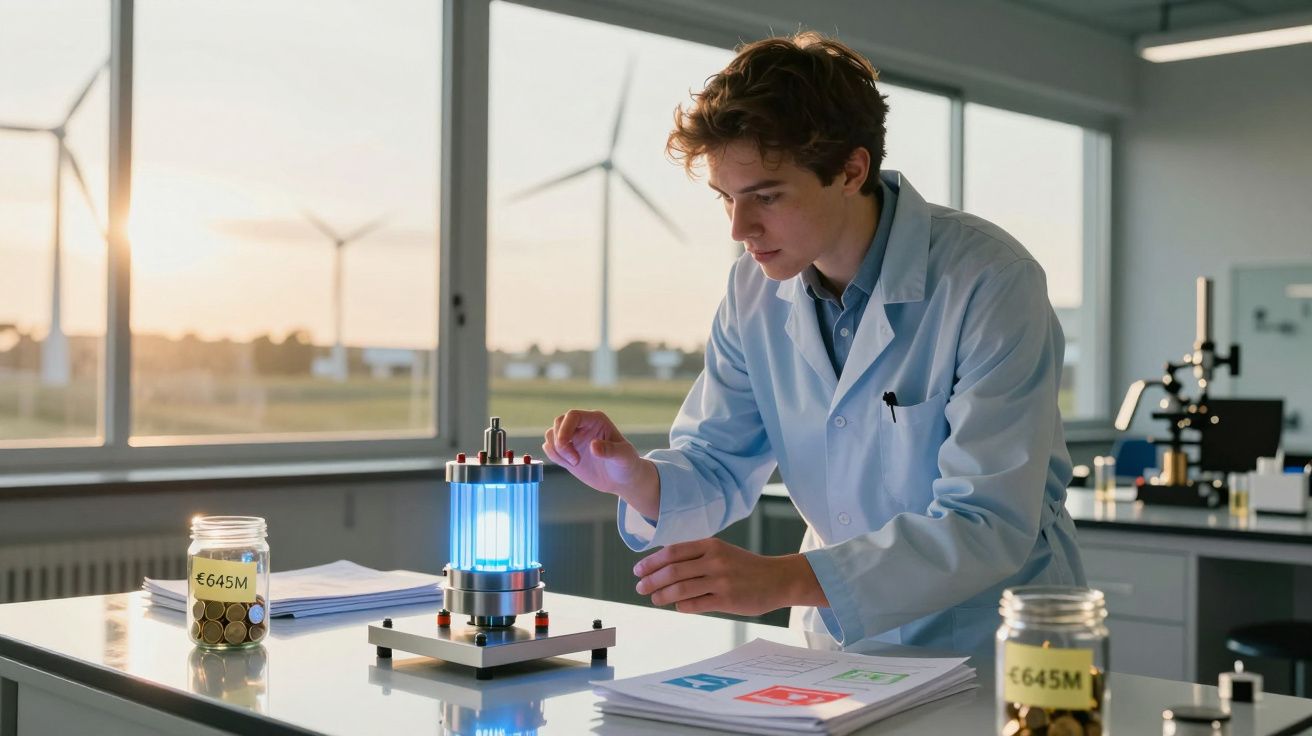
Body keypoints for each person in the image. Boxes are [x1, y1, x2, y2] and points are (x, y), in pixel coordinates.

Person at [541, 31, 1084, 652]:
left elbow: (986, 521)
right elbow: (718, 461)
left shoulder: (989, 279)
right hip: (837, 642)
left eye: (766, 197)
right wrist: (632, 476)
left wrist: (781, 579)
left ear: (851, 170)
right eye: (726, 199)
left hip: (988, 637)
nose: (741, 228)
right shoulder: (754, 288)